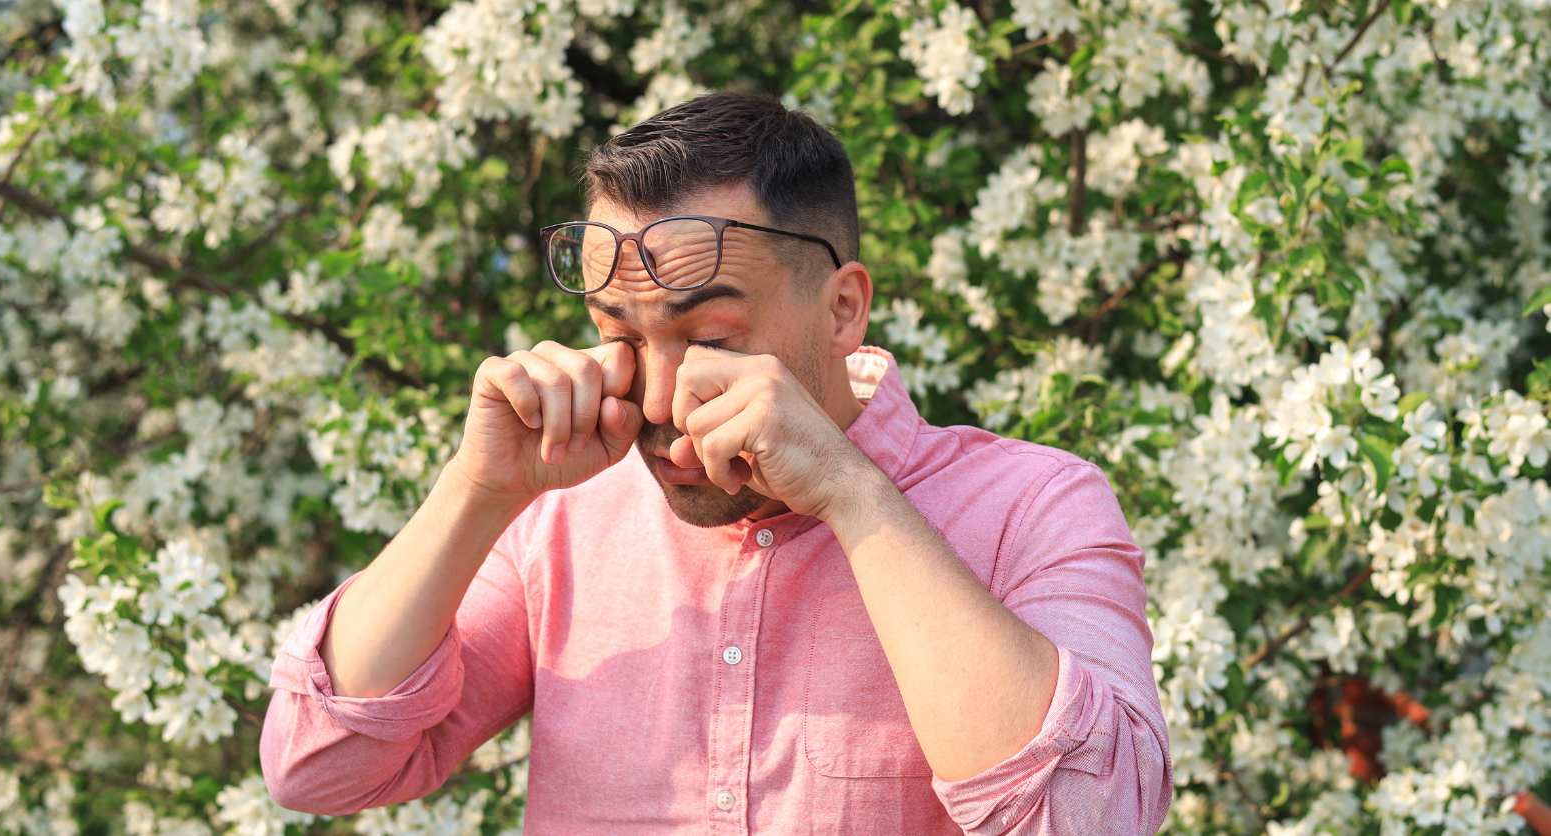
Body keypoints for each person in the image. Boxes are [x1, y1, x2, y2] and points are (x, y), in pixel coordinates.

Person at [260, 91, 1172, 835]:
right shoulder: (561, 516)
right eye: (618, 333)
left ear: (844, 308)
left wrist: (856, 499)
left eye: (709, 335)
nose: (657, 400)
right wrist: (477, 490)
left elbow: (1091, 817)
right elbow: (318, 763)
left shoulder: (1033, 505)